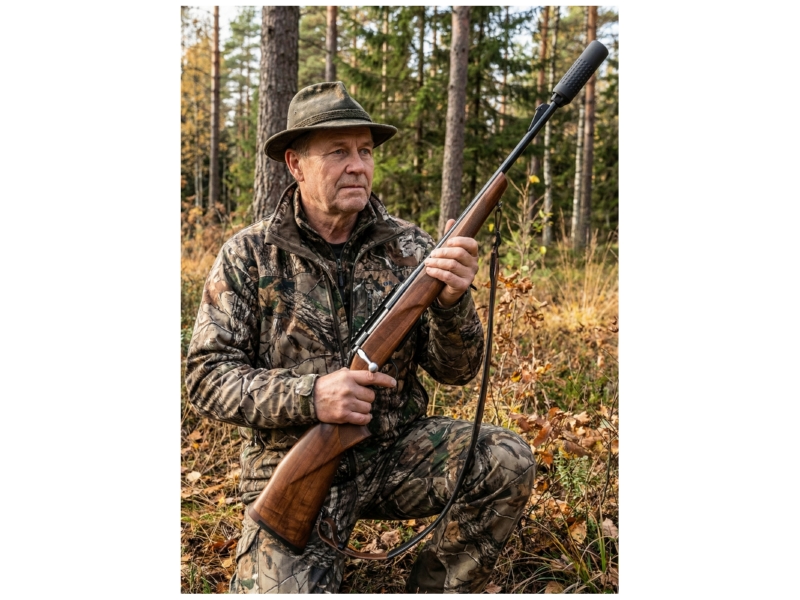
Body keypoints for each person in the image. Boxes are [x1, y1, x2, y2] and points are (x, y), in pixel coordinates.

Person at [185, 81, 535, 594]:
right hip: (293, 466)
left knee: (506, 459)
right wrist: (311, 395)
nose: (357, 166)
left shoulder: (413, 248)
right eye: (338, 152)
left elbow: (458, 372)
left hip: (395, 455)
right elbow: (205, 377)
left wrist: (452, 303)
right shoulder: (249, 255)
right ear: (295, 164)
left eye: (365, 151)